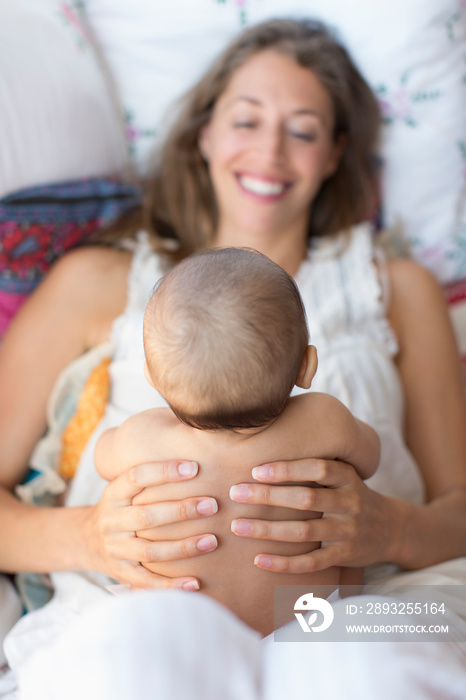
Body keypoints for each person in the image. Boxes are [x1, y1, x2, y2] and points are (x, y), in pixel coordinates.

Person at [1, 17, 466, 691]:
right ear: (205, 134)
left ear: (335, 153)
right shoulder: (97, 282)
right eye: (247, 120)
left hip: (356, 608)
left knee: (366, 666)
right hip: (141, 603)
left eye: (302, 129)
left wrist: (391, 530)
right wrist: (92, 536)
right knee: (138, 661)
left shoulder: (396, 290)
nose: (271, 151)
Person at [95, 246, 380, 634]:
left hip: (177, 628)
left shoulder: (141, 437)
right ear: (306, 367)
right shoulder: (324, 420)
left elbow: (101, 459)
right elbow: (371, 458)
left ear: (153, 378)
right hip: (308, 621)